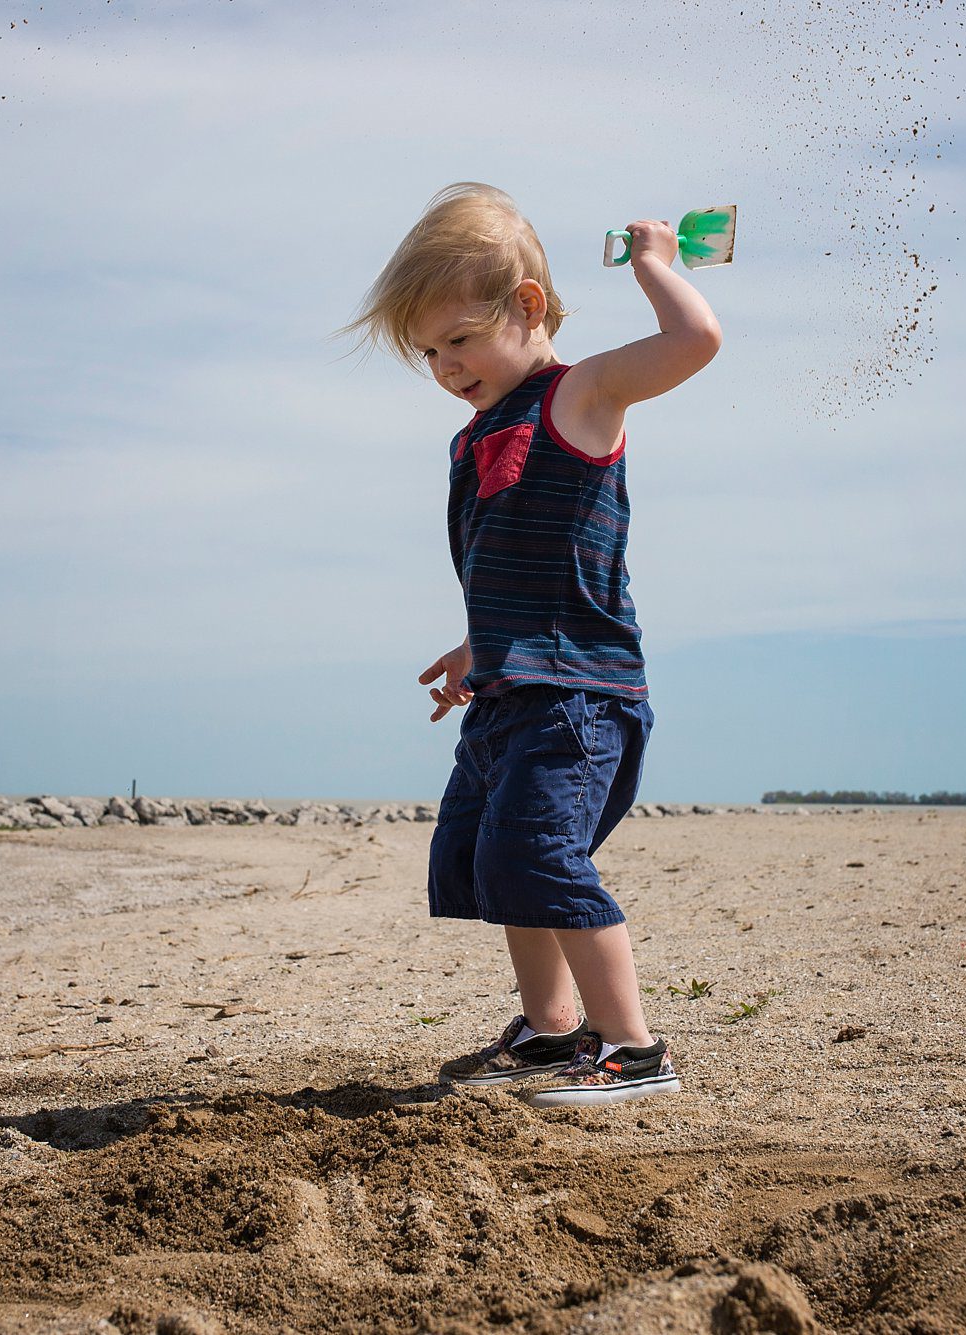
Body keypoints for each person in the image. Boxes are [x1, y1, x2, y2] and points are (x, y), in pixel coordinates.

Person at [345, 183, 721, 1106]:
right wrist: (479, 645)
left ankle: (633, 1048)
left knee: (542, 855)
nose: (444, 365)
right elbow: (518, 561)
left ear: (526, 308)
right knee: (492, 857)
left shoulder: (581, 395)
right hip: (514, 689)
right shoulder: (478, 433)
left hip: (581, 697)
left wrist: (653, 264)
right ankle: (554, 1034)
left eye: (459, 340)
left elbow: (694, 343)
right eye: (429, 351)